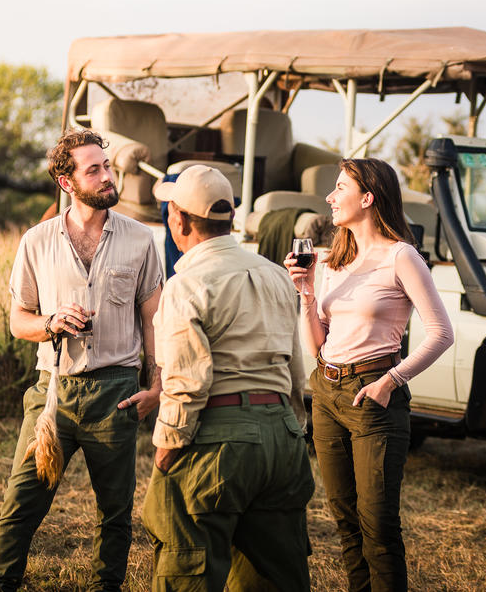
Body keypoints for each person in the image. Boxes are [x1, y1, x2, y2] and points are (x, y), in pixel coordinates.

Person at [0, 129, 163, 592]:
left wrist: (156, 384)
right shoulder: (36, 242)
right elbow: (17, 322)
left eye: (107, 166)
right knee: (21, 504)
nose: (107, 176)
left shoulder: (141, 240)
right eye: (95, 170)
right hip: (53, 393)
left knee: (116, 512)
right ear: (67, 182)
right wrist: (50, 322)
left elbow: (154, 319)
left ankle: (109, 586)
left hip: (117, 394)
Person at [143, 164, 314, 592]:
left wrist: (167, 446)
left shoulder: (187, 284)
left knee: (189, 568)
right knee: (275, 574)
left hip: (218, 439)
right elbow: (295, 367)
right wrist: (294, 429)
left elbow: (187, 379)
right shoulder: (277, 275)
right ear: (231, 218)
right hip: (282, 435)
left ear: (178, 219)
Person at [285, 157, 453, 592]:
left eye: (339, 187)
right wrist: (306, 292)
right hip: (325, 390)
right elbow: (317, 344)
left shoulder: (402, 257)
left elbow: (441, 333)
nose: (330, 197)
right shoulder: (332, 258)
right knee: (344, 520)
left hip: (373, 395)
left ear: (368, 197)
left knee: (377, 525)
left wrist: (389, 382)